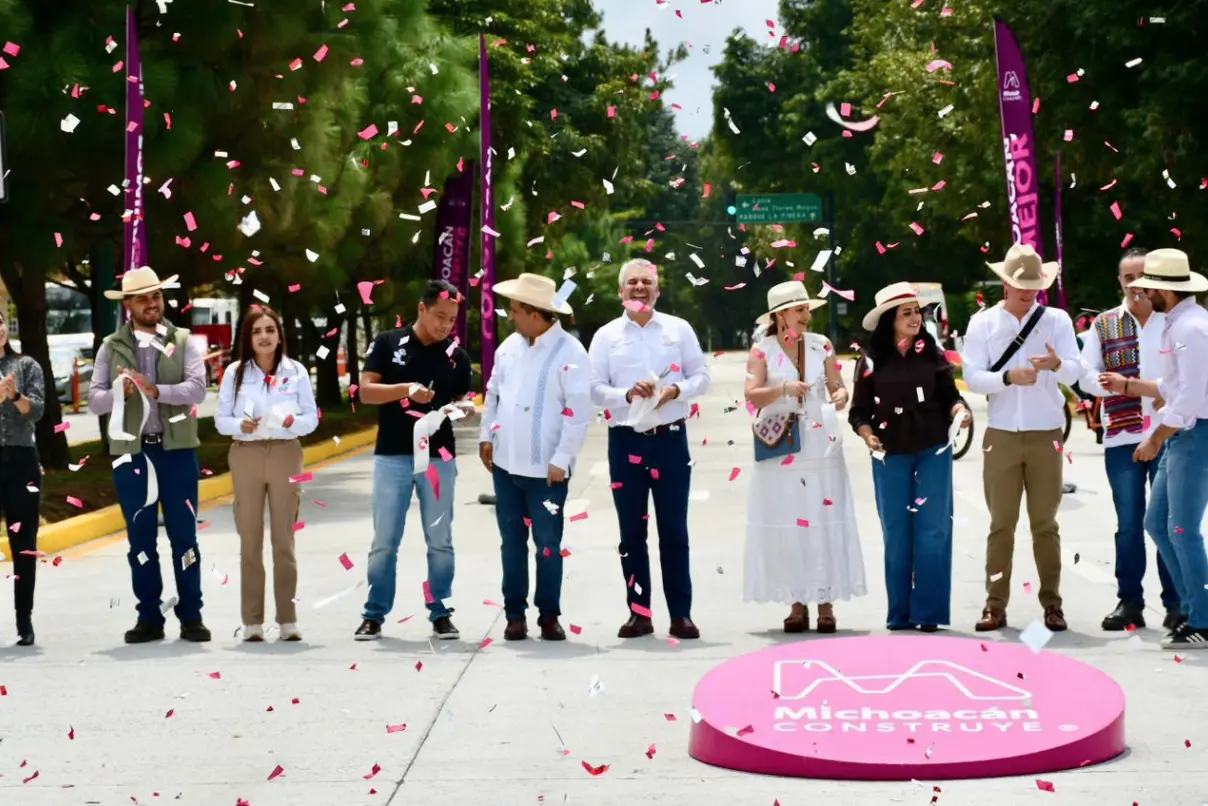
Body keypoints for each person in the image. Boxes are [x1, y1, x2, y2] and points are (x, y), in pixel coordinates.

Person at [960, 244, 1082, 633]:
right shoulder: (983, 323)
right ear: (1004, 283)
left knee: (1045, 524)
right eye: (1020, 284)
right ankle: (995, 604)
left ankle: (1052, 604)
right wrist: (1008, 378)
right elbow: (973, 376)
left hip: (1047, 431)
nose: (1028, 292)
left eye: (1034, 285)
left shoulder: (1057, 320)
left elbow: (1077, 372)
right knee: (1001, 524)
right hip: (1002, 433)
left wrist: (1057, 364)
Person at [588, 258, 710, 640]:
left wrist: (675, 391)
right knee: (631, 533)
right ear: (621, 291)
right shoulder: (606, 336)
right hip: (625, 442)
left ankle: (681, 614)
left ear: (657, 291)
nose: (639, 288)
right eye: (632, 283)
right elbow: (593, 388)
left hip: (671, 439)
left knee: (674, 531)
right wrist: (626, 394)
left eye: (647, 283)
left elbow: (701, 376)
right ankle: (639, 613)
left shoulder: (679, 329)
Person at [88, 267, 211, 644]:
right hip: (133, 454)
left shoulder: (184, 339)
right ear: (129, 306)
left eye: (156, 296)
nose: (152, 303)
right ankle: (149, 616)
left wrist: (156, 391)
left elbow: (198, 389)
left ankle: (192, 615)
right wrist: (119, 395)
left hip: (176, 452)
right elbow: (94, 399)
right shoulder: (111, 346)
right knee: (140, 541)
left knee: (185, 538)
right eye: (143, 298)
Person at [354, 279, 472, 641]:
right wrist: (405, 390)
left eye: (451, 320)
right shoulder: (389, 343)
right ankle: (374, 614)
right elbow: (366, 391)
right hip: (392, 455)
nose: (444, 326)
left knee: (440, 539)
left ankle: (440, 611)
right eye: (439, 317)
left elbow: (465, 400)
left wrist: (459, 409)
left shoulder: (457, 356)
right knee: (385, 539)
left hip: (439, 458)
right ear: (421, 309)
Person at [744, 281, 866, 633]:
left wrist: (841, 395)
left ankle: (826, 603)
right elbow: (752, 396)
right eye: (800, 309)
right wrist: (783, 388)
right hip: (782, 445)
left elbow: (835, 384)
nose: (806, 315)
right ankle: (796, 603)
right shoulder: (762, 350)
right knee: (789, 519)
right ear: (781, 315)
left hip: (819, 441)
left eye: (807, 309)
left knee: (822, 517)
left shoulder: (821, 345)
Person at [1101, 249, 1208, 648]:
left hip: (1194, 434)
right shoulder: (1181, 324)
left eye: (1147, 283)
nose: (1140, 288)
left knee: (1181, 529)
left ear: (1163, 288)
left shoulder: (1189, 329)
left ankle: (1201, 617)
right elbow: (1172, 386)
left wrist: (1155, 437)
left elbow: (1190, 398)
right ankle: (1195, 608)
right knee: (1159, 524)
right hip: (1186, 433)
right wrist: (1128, 386)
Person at [478, 274, 592, 641]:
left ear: (535, 313)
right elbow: (493, 394)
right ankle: (515, 614)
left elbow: (579, 410)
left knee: (547, 544)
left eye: (515, 310)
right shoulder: (508, 347)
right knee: (511, 542)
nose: (510, 316)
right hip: (506, 464)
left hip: (547, 471)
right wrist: (485, 436)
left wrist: (562, 458)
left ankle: (548, 614)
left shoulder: (571, 353)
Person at [850, 282, 967, 632]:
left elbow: (950, 395)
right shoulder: (869, 362)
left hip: (933, 449)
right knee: (897, 533)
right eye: (907, 313)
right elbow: (858, 413)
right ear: (890, 320)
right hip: (889, 455)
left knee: (933, 530)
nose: (916, 318)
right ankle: (899, 613)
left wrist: (960, 409)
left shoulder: (933, 353)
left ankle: (927, 613)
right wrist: (868, 435)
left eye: (917, 312)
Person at [1077, 249, 1180, 632]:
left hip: (1168, 433)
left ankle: (1177, 602)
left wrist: (1167, 390)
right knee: (1129, 523)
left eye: (1142, 276)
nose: (1135, 285)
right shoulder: (1104, 325)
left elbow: (1187, 373)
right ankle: (1130, 601)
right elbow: (1087, 375)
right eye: (1128, 278)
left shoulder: (1171, 322)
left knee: (1169, 522)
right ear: (1119, 282)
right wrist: (1111, 384)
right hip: (1122, 436)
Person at [215, 306, 319, 642]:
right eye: (257, 331)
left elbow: (310, 417)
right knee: (250, 540)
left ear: (279, 334)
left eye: (270, 330)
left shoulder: (296, 371)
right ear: (248, 337)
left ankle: (288, 619)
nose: (264, 336)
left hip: (286, 454)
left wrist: (292, 423)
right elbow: (221, 420)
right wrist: (238, 425)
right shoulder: (235, 373)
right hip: (246, 453)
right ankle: (252, 622)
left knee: (283, 540)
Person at [0, 311, 46, 646]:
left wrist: (15, 397)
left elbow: (39, 410)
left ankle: (24, 619)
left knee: (24, 545)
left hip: (21, 461)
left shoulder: (26, 366)